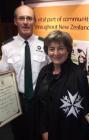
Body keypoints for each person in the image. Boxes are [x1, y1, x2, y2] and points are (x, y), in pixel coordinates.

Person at [0, 5, 50, 140]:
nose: (26, 22)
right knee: (20, 135)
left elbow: (53, 72)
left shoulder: (45, 44)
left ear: (34, 21)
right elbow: (3, 77)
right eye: (22, 18)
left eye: (29, 18)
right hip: (18, 102)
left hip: (40, 101)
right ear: (16, 21)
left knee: (41, 135)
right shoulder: (6, 47)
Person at [34, 30, 89, 140]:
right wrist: (43, 130)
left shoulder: (79, 75)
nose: (56, 53)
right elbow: (39, 105)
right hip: (45, 132)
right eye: (51, 49)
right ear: (47, 51)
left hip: (68, 134)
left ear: (68, 50)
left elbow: (83, 111)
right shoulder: (44, 72)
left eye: (60, 48)